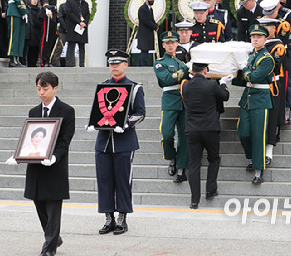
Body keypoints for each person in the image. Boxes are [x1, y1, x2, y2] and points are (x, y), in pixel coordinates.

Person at [87, 48, 145, 235]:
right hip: (103, 140)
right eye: (111, 63)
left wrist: (126, 124)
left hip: (124, 141)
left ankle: (122, 217)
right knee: (104, 180)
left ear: (126, 64)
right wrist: (92, 123)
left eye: (118, 63)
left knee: (122, 180)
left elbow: (140, 113)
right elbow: (99, 111)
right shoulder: (103, 86)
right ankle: (108, 217)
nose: (114, 66)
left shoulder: (135, 88)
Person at [24, 71, 75, 256]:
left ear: (55, 87)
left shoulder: (67, 111)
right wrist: (20, 155)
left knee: (53, 207)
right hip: (36, 166)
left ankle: (49, 248)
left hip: (55, 165)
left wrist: (54, 156)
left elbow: (65, 140)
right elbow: (29, 139)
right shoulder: (34, 112)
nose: (41, 92)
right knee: (39, 204)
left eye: (45, 88)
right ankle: (54, 236)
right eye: (38, 88)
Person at [181, 57, 230, 209]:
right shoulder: (210, 85)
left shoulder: (186, 87)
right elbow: (225, 96)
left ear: (191, 71)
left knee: (194, 164)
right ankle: (210, 190)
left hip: (192, 130)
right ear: (205, 70)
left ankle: (194, 200)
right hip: (210, 128)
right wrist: (223, 84)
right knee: (214, 159)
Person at [231, 24, 274, 184]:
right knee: (243, 132)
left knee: (258, 136)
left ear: (265, 39)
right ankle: (252, 157)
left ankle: (258, 169)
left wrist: (244, 71)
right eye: (253, 37)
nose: (255, 39)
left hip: (261, 100)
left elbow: (253, 77)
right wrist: (228, 77)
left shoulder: (267, 58)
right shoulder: (251, 56)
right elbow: (244, 78)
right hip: (247, 99)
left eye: (259, 37)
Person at [154, 31, 189, 183]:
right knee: (167, 134)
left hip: (184, 101)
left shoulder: (182, 63)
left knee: (184, 136)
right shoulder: (160, 62)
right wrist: (184, 72)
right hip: (169, 101)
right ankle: (171, 158)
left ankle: (181, 167)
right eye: (167, 43)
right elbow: (166, 79)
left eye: (173, 42)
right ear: (163, 45)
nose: (170, 45)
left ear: (177, 44)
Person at [258, 17, 286, 164]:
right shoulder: (258, 46)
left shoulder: (277, 46)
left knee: (272, 119)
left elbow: (273, 66)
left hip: (272, 86)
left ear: (274, 29)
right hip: (258, 87)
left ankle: (269, 152)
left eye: (267, 27)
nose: (264, 31)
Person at [5, 0, 28, 68]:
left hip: (19, 11)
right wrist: (24, 11)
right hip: (14, 10)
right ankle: (12, 59)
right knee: (14, 36)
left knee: (20, 36)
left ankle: (17, 59)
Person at [64, 0, 91, 67]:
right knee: (71, 46)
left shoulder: (85, 3)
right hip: (73, 27)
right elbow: (69, 14)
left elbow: (88, 14)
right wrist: (79, 22)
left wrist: (84, 22)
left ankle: (82, 64)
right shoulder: (70, 2)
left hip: (82, 28)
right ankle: (68, 64)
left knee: (82, 47)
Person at [37, 0, 58, 67]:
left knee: (51, 39)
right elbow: (44, 0)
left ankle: (48, 60)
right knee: (45, 39)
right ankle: (43, 61)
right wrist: (46, 6)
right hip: (46, 15)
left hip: (53, 15)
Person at [51, 0, 74, 67]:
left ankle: (70, 63)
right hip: (63, 30)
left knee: (71, 47)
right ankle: (55, 62)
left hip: (72, 31)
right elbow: (60, 18)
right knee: (60, 46)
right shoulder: (62, 6)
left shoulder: (76, 8)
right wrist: (65, 28)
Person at [136, 0, 158, 66]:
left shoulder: (150, 9)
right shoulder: (142, 9)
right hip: (144, 34)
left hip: (148, 34)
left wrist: (156, 25)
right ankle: (142, 65)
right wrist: (154, 27)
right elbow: (145, 20)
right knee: (144, 50)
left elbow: (152, 20)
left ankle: (140, 65)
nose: (152, 0)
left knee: (145, 50)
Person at [26, 0, 43, 67]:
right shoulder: (29, 10)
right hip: (32, 32)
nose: (35, 1)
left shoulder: (39, 10)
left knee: (36, 49)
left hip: (38, 33)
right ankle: (30, 64)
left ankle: (35, 63)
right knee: (31, 49)